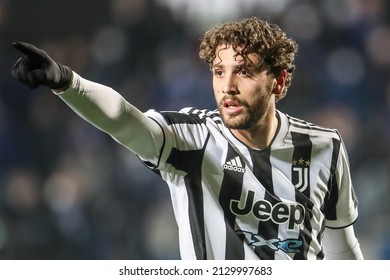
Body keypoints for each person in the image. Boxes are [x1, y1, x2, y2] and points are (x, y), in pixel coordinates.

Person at [11, 16, 363, 260]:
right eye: (219, 71)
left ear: (279, 82)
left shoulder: (324, 147)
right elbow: (123, 119)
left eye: (244, 72)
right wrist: (67, 82)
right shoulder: (191, 138)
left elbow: (342, 252)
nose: (227, 87)